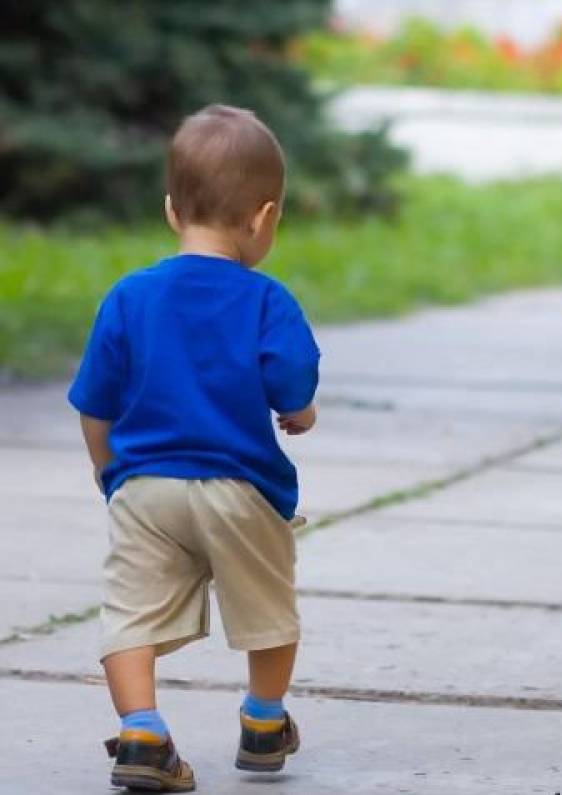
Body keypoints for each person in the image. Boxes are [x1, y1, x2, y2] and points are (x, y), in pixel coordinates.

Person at [68, 104, 321, 791]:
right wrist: (298, 410)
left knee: (130, 616)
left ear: (173, 211)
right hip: (240, 489)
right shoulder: (267, 299)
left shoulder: (130, 296)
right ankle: (265, 720)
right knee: (268, 607)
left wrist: (108, 470)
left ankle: (143, 731)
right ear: (264, 217)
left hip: (145, 488)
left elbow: (94, 402)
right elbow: (291, 378)